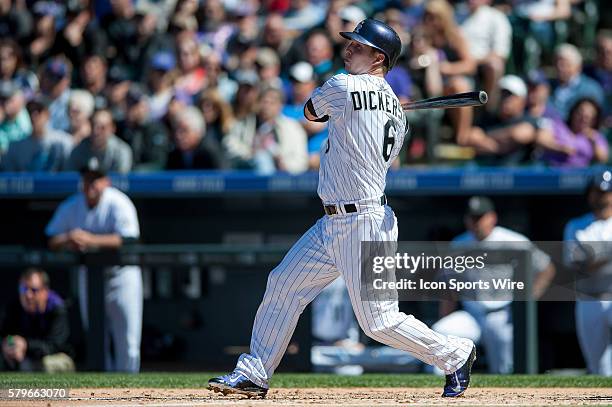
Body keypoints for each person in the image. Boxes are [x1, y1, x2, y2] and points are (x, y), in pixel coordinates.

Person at [209, 19, 476, 399]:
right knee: (284, 284)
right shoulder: (398, 117)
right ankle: (255, 372)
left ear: (379, 58)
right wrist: (379, 106)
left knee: (378, 322)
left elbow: (309, 112)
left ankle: (455, 353)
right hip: (334, 221)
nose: (349, 48)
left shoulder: (341, 84)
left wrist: (364, 104)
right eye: (350, 43)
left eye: (359, 46)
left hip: (364, 221)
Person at [433, 196, 555, 374]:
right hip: (471, 314)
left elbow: (546, 268)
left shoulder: (513, 241)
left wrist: (527, 301)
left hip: (502, 314)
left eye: (479, 217)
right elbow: (449, 286)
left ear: (492, 217)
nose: (475, 222)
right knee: (441, 332)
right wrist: (445, 315)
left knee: (504, 369)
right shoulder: (459, 244)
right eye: (472, 217)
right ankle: (438, 390)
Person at [45, 159, 143, 373]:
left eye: (96, 179)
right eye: (87, 179)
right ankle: (105, 391)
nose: (91, 184)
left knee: (128, 342)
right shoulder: (72, 205)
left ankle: (132, 390)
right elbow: (50, 238)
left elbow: (129, 240)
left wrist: (91, 240)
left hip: (121, 276)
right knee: (96, 337)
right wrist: (69, 237)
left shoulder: (119, 202)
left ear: (106, 181)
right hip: (89, 276)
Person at [563, 171, 612, 376]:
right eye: (595, 191)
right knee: (599, 368)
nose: (600, 196)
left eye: (604, 191)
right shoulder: (577, 225)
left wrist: (596, 256)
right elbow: (576, 264)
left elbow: (589, 260)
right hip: (589, 299)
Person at [0, 268, 73, 372]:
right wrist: (8, 344)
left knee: (47, 365)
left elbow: (54, 346)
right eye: (24, 289)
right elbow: (6, 334)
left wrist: (26, 345)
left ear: (45, 291)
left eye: (34, 290)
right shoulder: (14, 307)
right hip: (22, 357)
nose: (28, 295)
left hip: (54, 357)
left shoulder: (57, 308)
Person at [224, 86, 308, 174]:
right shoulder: (243, 123)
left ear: (280, 105)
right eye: (264, 102)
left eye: (272, 103)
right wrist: (250, 153)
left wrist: (284, 164)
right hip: (248, 171)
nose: (266, 106)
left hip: (284, 177)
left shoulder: (293, 128)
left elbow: (301, 160)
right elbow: (230, 146)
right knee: (261, 158)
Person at [460, 75, 538, 165]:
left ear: (522, 100)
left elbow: (519, 134)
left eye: (510, 95)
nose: (505, 99)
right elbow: (471, 137)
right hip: (486, 173)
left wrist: (485, 137)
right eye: (502, 94)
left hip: (519, 174)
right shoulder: (488, 119)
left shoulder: (528, 119)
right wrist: (501, 146)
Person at [2, 96, 72, 172]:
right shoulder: (15, 147)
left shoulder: (64, 142)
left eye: (38, 111)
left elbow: (71, 174)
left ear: (47, 114)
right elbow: (8, 178)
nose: (33, 116)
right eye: (30, 111)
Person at [66, 109, 133, 173]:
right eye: (93, 126)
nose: (96, 131)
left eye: (102, 128)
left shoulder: (121, 151)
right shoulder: (79, 150)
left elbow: (120, 180)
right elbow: (71, 178)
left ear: (112, 129)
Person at [550, 44, 605, 120]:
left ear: (578, 67)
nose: (560, 67)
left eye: (564, 64)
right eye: (557, 63)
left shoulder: (591, 89)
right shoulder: (548, 86)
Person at [165, 106, 223, 170]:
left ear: (198, 132)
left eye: (184, 130)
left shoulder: (211, 153)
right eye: (176, 130)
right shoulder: (174, 156)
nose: (178, 135)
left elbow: (224, 177)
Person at [0, 79, 31, 157]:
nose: (5, 103)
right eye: (2, 98)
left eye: (9, 99)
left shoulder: (24, 120)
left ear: (20, 100)